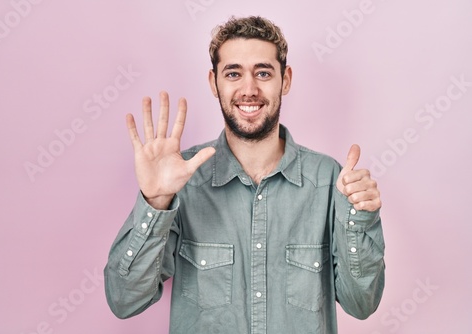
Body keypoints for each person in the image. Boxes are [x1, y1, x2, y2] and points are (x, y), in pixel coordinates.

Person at [104, 16, 385, 334]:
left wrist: (362, 218)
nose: (249, 89)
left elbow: (361, 304)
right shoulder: (183, 180)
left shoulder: (329, 179)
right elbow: (124, 299)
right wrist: (155, 202)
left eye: (263, 73)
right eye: (233, 73)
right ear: (214, 83)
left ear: (286, 79)